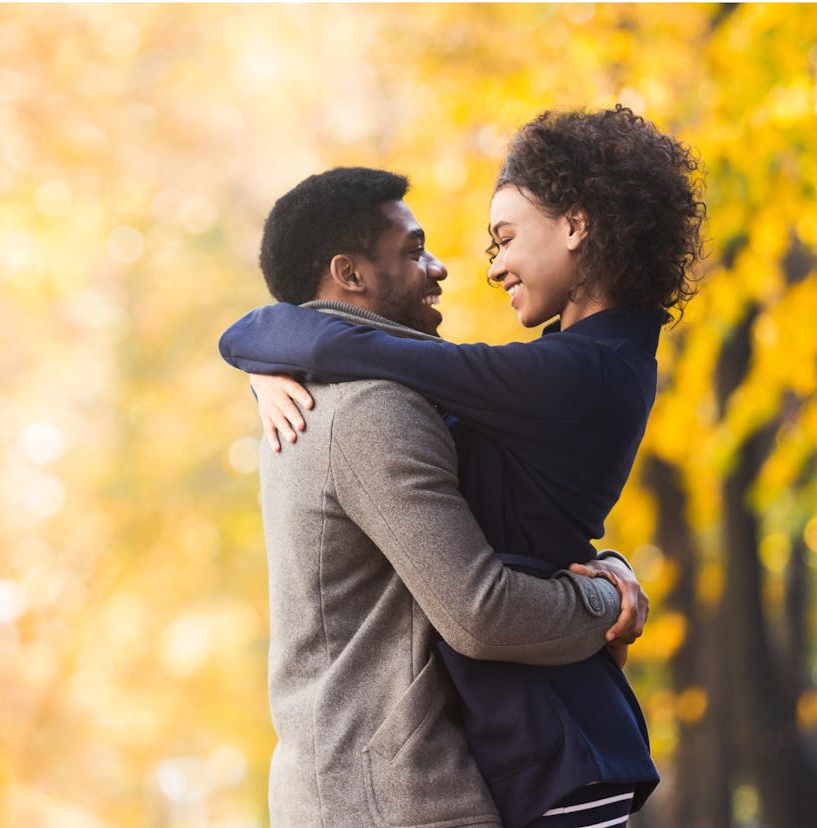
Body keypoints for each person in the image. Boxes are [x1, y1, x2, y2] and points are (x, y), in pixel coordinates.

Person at [220, 106, 705, 827]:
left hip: (544, 746)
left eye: (505, 238)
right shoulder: (369, 413)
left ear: (576, 227)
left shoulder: (575, 372)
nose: (469, 265)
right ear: (348, 273)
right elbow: (496, 576)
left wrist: (256, 345)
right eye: (417, 250)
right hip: (429, 782)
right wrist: (607, 593)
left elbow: (353, 349)